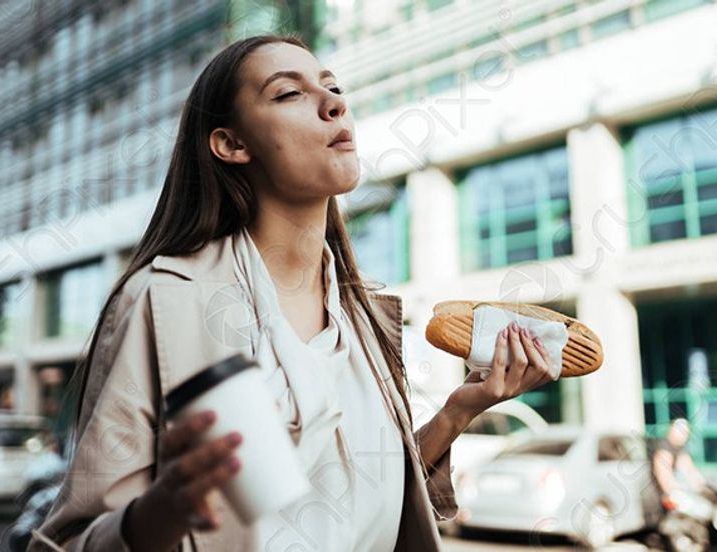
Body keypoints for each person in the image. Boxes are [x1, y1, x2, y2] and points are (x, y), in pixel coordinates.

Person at [29, 34, 556, 552]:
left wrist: (457, 413)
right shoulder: (164, 301)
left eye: (333, 87)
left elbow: (355, 502)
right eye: (289, 93)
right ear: (232, 144)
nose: (334, 103)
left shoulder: (368, 319)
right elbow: (73, 538)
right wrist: (162, 511)